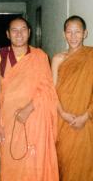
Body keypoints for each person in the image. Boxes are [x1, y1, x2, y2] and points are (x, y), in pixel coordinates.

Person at [0, 17, 59, 181]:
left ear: (29, 33)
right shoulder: (0, 58)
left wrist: (28, 109)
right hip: (8, 119)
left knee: (34, 160)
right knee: (10, 160)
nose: (19, 34)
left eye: (23, 29)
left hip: (35, 117)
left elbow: (47, 88)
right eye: (14, 30)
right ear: (8, 34)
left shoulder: (40, 56)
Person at [52, 15, 93, 181]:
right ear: (64, 34)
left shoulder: (91, 56)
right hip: (62, 120)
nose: (73, 36)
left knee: (84, 165)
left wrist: (86, 115)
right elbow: (51, 91)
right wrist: (62, 113)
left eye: (78, 32)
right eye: (69, 32)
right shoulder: (57, 59)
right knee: (64, 163)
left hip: (86, 120)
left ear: (85, 33)